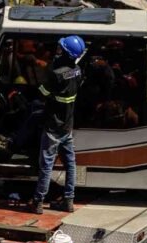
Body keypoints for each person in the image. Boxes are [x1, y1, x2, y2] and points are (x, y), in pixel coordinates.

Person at [31, 35, 84, 215]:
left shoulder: (55, 73)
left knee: (46, 165)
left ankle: (38, 202)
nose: (57, 51)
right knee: (70, 164)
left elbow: (42, 93)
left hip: (53, 127)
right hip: (67, 126)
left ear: (66, 53)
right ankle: (69, 200)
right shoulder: (77, 70)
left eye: (61, 49)